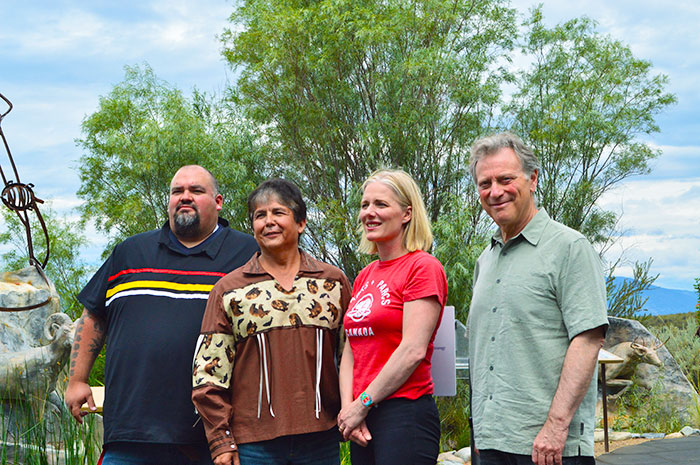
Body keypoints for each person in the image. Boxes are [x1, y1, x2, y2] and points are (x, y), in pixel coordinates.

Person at [64, 165, 258, 465]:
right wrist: (77, 379)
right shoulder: (129, 252)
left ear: (218, 201)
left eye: (196, 191)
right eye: (177, 191)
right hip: (131, 432)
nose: (185, 197)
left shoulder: (248, 255)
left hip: (214, 437)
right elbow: (93, 316)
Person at [467, 132, 608, 465]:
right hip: (492, 444)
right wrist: (480, 434)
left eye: (505, 179)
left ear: (532, 179)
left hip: (548, 449)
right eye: (485, 183)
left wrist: (556, 428)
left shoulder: (569, 248)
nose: (495, 191)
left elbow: (588, 340)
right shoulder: (484, 260)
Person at [192, 178, 351, 465]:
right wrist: (221, 440)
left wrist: (353, 414)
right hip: (252, 444)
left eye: (278, 212)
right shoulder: (230, 290)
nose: (269, 222)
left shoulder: (332, 282)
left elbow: (354, 356)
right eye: (259, 216)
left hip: (321, 438)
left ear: (301, 222)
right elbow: (207, 374)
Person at [337, 169, 448, 465]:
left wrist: (363, 403)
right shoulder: (364, 276)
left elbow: (412, 350)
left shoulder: (422, 267)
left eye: (381, 205)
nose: (369, 213)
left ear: (407, 213)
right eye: (364, 205)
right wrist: (350, 409)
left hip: (404, 414)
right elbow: (351, 349)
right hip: (363, 417)